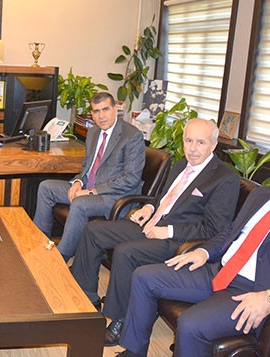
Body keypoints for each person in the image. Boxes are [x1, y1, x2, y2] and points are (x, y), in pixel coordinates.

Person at [70, 118, 241, 347]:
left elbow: (214, 228)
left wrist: (167, 231)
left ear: (213, 144)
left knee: (126, 253)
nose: (192, 148)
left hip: (178, 241)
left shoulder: (224, 178)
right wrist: (148, 208)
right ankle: (87, 300)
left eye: (200, 142)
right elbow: (163, 198)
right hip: (151, 224)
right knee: (93, 231)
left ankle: (120, 321)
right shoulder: (182, 164)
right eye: (188, 141)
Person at [117, 186, 270, 357]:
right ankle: (134, 353)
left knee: (190, 325)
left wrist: (267, 297)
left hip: (252, 290)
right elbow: (231, 230)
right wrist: (203, 252)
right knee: (143, 277)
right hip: (220, 270)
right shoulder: (261, 194)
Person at [33, 91, 145, 261]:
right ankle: (39, 243)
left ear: (116, 109)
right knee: (46, 187)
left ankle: (60, 258)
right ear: (91, 114)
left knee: (80, 203)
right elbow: (87, 167)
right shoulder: (93, 133)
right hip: (88, 188)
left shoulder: (132, 136)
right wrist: (78, 182)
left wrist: (92, 191)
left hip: (114, 197)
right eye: (96, 111)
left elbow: (131, 179)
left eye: (105, 109)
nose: (101, 116)